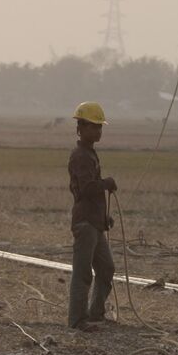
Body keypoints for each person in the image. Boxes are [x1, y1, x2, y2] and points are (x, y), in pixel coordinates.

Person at [68, 101, 117, 331]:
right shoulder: (80, 156)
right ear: (81, 127)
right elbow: (87, 188)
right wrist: (106, 183)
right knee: (83, 273)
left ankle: (95, 313)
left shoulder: (90, 154)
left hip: (94, 223)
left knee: (106, 269)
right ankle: (77, 320)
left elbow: (91, 193)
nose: (98, 131)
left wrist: (103, 218)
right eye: (94, 126)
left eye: (100, 127)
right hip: (85, 224)